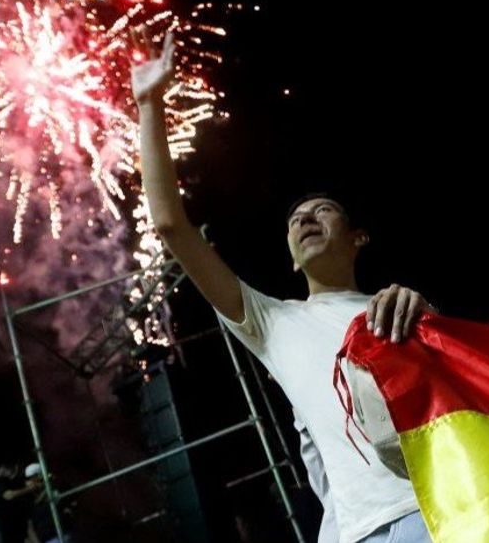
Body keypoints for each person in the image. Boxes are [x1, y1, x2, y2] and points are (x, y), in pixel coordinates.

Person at [133, 33, 431, 541]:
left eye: (322, 211)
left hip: (452, 503)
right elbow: (170, 225)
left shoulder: (405, 308)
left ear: (358, 237)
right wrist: (149, 106)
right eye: (295, 220)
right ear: (291, 261)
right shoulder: (273, 321)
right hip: (370, 528)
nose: (305, 220)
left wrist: (428, 316)